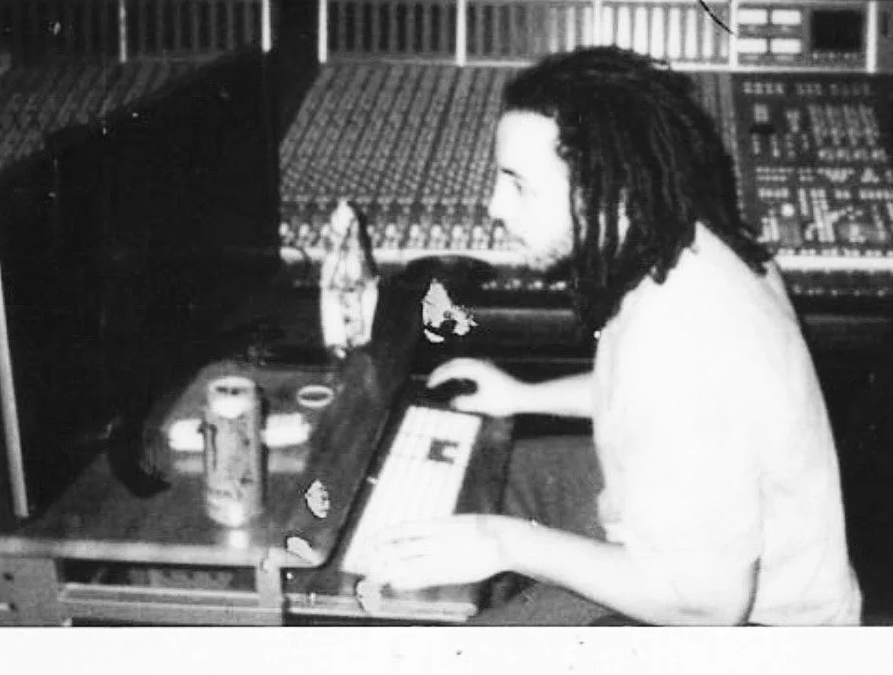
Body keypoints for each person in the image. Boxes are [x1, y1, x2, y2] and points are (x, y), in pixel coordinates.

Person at [360, 46, 862, 626]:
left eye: (519, 185)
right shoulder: (692, 245)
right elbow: (642, 395)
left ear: (613, 192)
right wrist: (523, 395)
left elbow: (709, 608)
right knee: (472, 473)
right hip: (681, 543)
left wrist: (506, 543)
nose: (495, 207)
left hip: (746, 628)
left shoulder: (681, 345)